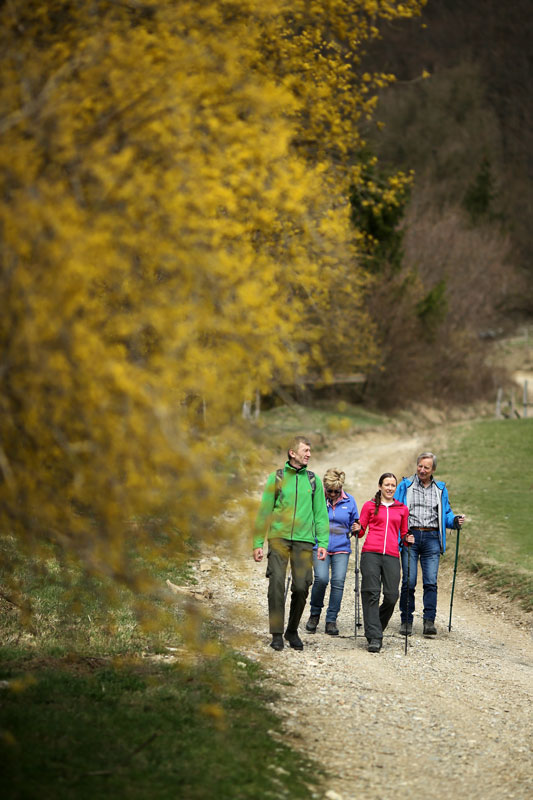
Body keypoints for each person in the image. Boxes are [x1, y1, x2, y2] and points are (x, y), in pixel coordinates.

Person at [253, 435, 330, 651]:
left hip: (304, 541)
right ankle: (276, 633)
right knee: (276, 584)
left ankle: (292, 630)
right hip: (278, 538)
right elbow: (264, 512)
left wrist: (323, 542)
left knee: (301, 586)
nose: (309, 454)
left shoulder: (313, 481)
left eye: (309, 451)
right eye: (305, 450)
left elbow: (321, 514)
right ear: (292, 453)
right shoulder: (276, 478)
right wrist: (257, 542)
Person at [394, 452, 465, 638]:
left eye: (426, 467)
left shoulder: (440, 489)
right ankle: (406, 621)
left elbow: (446, 513)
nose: (422, 470)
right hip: (410, 536)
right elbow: (396, 509)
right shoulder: (405, 485)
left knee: (430, 582)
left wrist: (454, 521)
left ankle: (429, 622)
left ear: (433, 469)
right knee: (409, 580)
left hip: (432, 538)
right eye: (420, 466)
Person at [357, 473, 412, 652]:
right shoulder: (369, 506)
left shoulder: (402, 509)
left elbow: (403, 534)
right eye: (386, 485)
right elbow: (361, 532)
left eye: (393, 485)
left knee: (391, 596)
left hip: (391, 555)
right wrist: (357, 528)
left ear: (395, 488)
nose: (389, 488)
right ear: (380, 486)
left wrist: (407, 538)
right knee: (371, 593)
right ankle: (374, 636)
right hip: (370, 553)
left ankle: (375, 627)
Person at [305, 469, 360, 636]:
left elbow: (355, 522)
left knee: (338, 582)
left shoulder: (349, 501)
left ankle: (331, 619)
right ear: (324, 487)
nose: (334, 494)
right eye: (330, 491)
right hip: (319, 546)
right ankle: (314, 614)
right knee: (321, 579)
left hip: (341, 547)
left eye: (337, 491)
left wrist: (357, 527)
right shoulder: (318, 500)